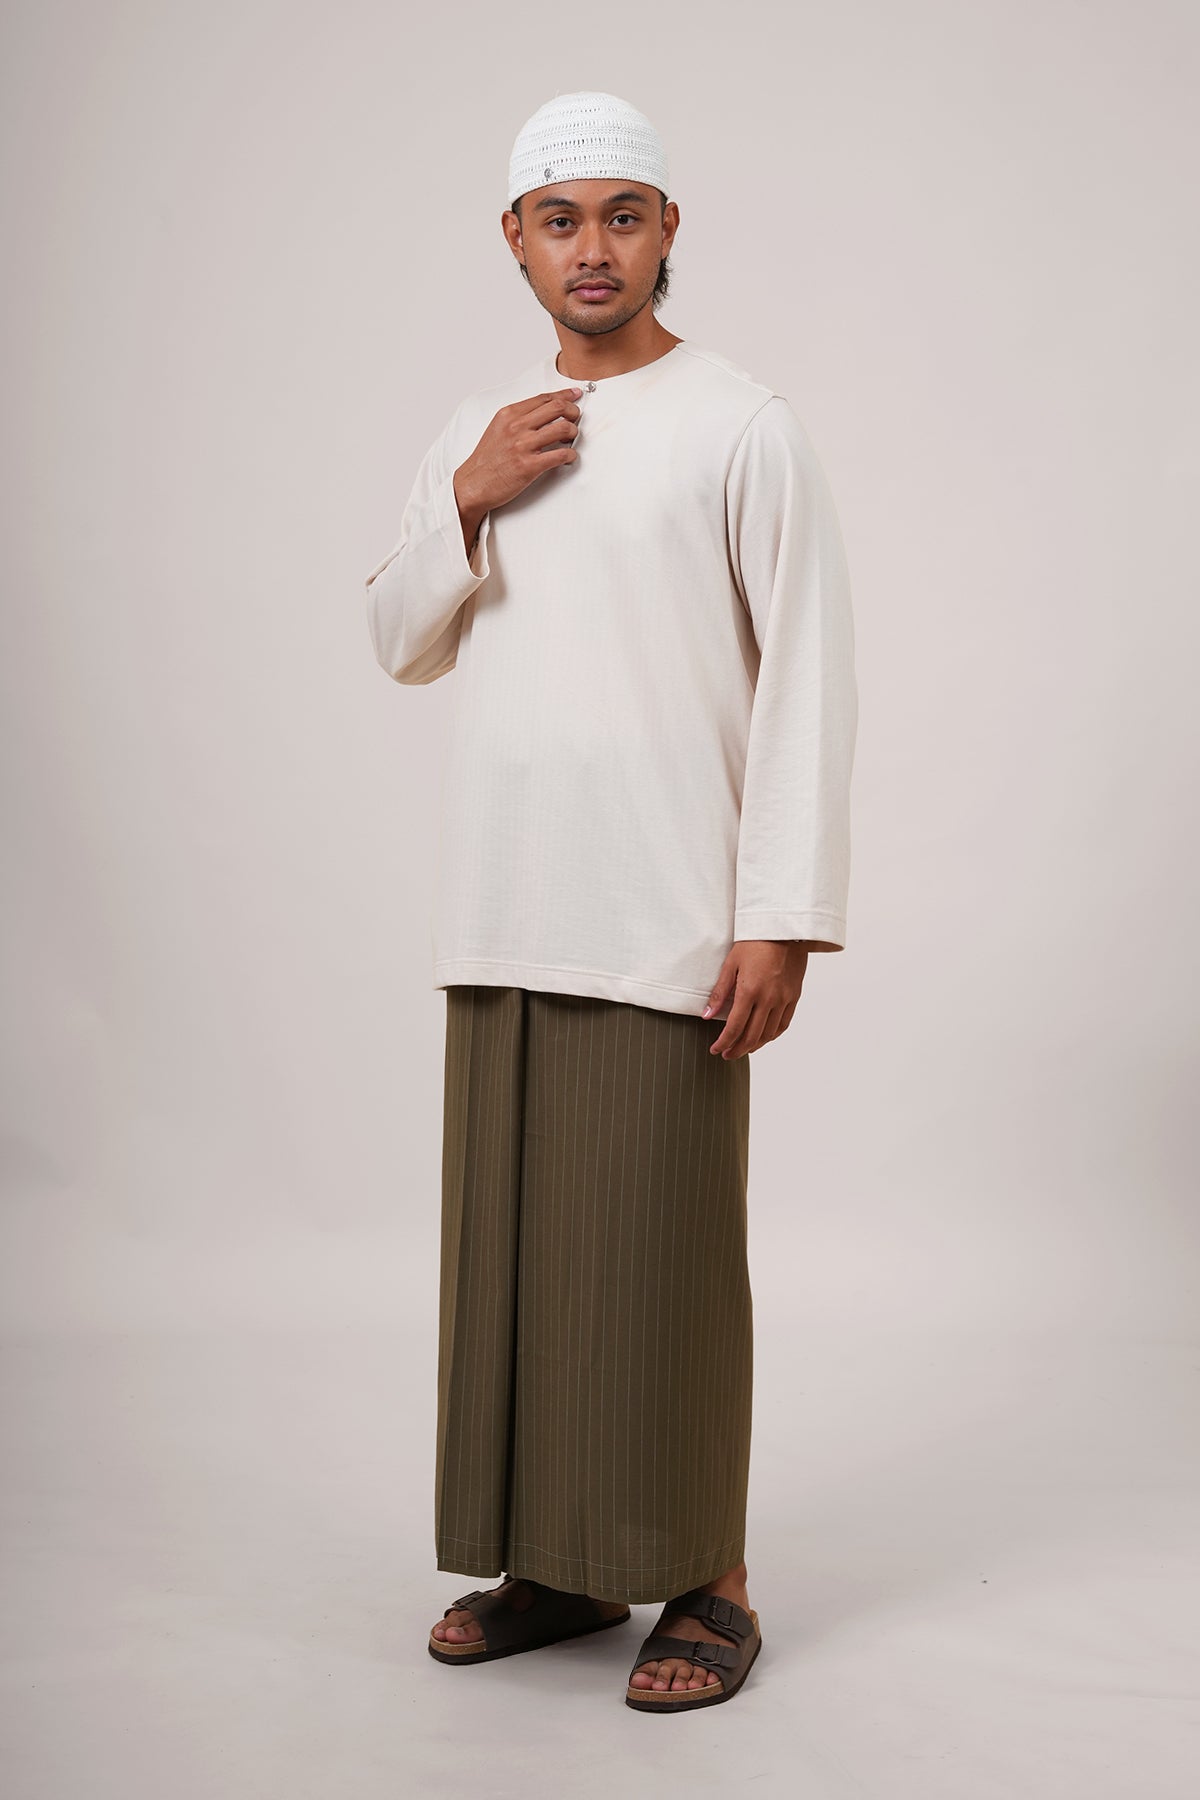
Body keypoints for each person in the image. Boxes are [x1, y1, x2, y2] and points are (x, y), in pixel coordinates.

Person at [364, 89, 858, 1713]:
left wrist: (779, 914)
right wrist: (464, 497)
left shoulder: (740, 423)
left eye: (623, 215)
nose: (594, 248)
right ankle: (562, 1564)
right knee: (522, 1271)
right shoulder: (482, 427)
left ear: (666, 232)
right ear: (515, 239)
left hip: (666, 918)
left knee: (658, 1266)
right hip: (505, 908)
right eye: (562, 219)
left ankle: (710, 1578)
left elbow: (808, 676)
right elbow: (399, 640)